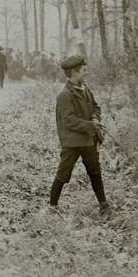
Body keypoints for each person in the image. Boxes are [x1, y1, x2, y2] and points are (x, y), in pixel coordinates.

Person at [49, 55, 110, 217]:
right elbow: (69, 120)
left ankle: (104, 205)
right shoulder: (64, 95)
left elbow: (96, 107)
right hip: (72, 143)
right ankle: (52, 207)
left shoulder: (86, 89)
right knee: (63, 174)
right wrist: (91, 125)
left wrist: (95, 118)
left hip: (88, 140)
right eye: (84, 70)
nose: (87, 73)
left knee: (95, 172)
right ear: (74, 72)